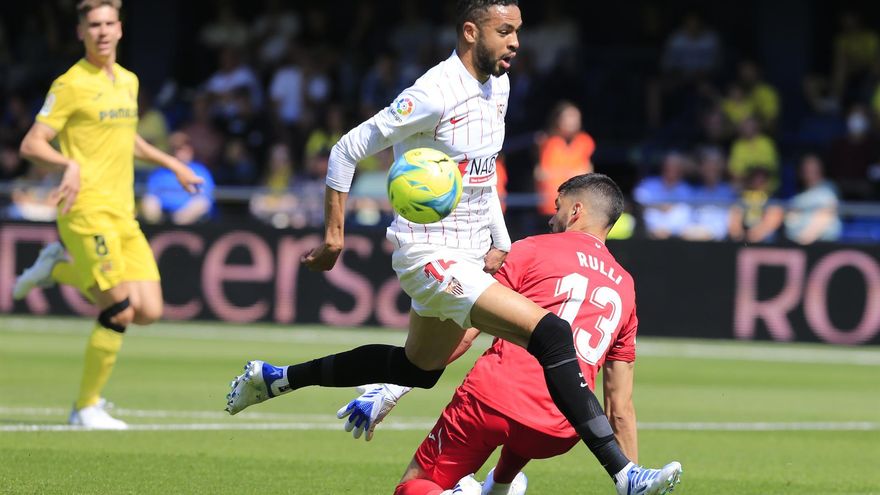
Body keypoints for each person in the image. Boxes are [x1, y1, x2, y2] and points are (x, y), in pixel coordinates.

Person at [225, 2, 681, 494]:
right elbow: (345, 150)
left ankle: (273, 378)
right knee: (551, 333)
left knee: (417, 369)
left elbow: (482, 178)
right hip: (429, 255)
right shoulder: (432, 94)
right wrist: (335, 236)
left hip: (470, 254)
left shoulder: (499, 86)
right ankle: (624, 474)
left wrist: (500, 240)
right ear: (470, 32)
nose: (515, 42)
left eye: (518, 31)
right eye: (504, 31)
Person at [337, 174, 678, 495]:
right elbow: (619, 407)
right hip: (559, 428)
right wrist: (630, 473)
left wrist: (395, 386)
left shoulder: (533, 249)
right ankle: (500, 486)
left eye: (557, 207)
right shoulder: (625, 287)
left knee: (417, 485)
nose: (551, 218)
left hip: (493, 401)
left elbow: (465, 330)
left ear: (576, 211)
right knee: (529, 420)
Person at [12, 0, 202, 429]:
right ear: (81, 32)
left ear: (119, 29)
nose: (101, 31)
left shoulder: (128, 81)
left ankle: (57, 269)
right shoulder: (70, 84)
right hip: (85, 210)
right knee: (119, 309)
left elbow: (128, 138)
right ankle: (85, 407)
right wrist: (67, 164)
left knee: (148, 310)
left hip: (122, 211)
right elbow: (31, 143)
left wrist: (172, 163)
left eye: (108, 23)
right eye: (93, 24)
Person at [140, 131, 215, 225]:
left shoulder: (200, 170)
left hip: (188, 216)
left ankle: (176, 228)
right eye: (176, 149)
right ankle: (153, 230)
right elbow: (152, 194)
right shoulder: (159, 172)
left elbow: (206, 196)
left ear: (191, 151)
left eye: (183, 149)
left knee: (201, 203)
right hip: (163, 214)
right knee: (149, 200)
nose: (179, 153)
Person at [784, 154, 842, 245]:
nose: (809, 172)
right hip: (796, 243)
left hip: (821, 245)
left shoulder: (828, 189)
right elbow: (791, 219)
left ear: (820, 170)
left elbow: (825, 216)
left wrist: (803, 240)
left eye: (813, 169)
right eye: (806, 169)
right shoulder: (798, 196)